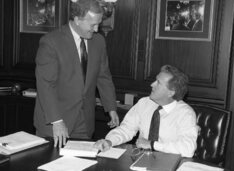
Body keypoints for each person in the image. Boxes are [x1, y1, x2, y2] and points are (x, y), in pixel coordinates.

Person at [34, 0, 119, 148]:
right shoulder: (51, 42)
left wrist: (111, 107)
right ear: (78, 20)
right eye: (93, 25)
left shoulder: (98, 41)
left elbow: (103, 76)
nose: (96, 28)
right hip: (55, 122)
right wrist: (57, 121)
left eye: (98, 24)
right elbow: (45, 85)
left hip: (84, 122)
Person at [94, 65, 198, 157]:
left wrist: (152, 144)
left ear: (171, 92)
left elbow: (188, 149)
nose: (152, 84)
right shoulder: (144, 103)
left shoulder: (186, 114)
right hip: (140, 161)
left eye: (158, 83)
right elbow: (126, 129)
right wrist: (109, 141)